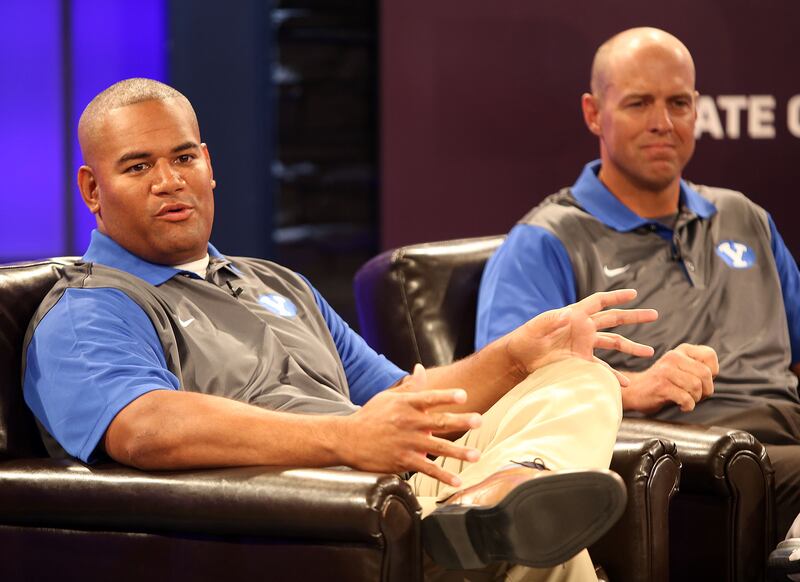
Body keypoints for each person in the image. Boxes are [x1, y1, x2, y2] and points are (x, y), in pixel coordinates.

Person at [22, 78, 658, 582]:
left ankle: (512, 486)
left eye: (183, 156)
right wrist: (346, 438)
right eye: (137, 167)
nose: (169, 181)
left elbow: (406, 396)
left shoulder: (275, 282)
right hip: (311, 511)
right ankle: (500, 511)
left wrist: (519, 357)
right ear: (92, 189)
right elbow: (146, 429)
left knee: (577, 375)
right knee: (544, 549)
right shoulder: (91, 308)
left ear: (208, 165)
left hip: (404, 487)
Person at [475, 26, 800, 543]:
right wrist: (636, 389)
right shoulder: (544, 242)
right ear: (593, 113)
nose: (662, 124)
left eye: (678, 103)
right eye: (638, 104)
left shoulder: (746, 218)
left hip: (787, 433)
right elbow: (504, 395)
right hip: (687, 460)